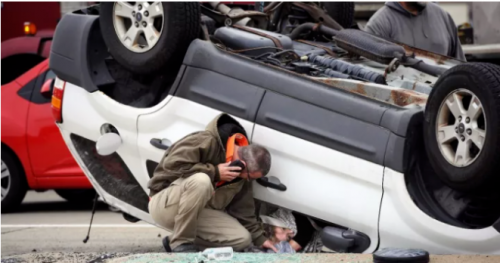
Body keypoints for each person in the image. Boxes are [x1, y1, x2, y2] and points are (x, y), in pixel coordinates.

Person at [147, 113, 277, 253]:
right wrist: (214, 172)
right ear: (243, 164)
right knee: (202, 181)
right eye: (250, 177)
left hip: (196, 213)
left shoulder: (241, 174)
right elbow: (172, 165)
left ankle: (173, 241)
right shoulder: (206, 140)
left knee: (242, 239)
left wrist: (260, 239)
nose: (248, 180)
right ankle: (181, 243)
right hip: (165, 204)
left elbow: (243, 210)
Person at [364, 2, 466, 61]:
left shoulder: (443, 16)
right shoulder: (379, 24)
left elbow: (460, 68)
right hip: (402, 97)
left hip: (444, 97)